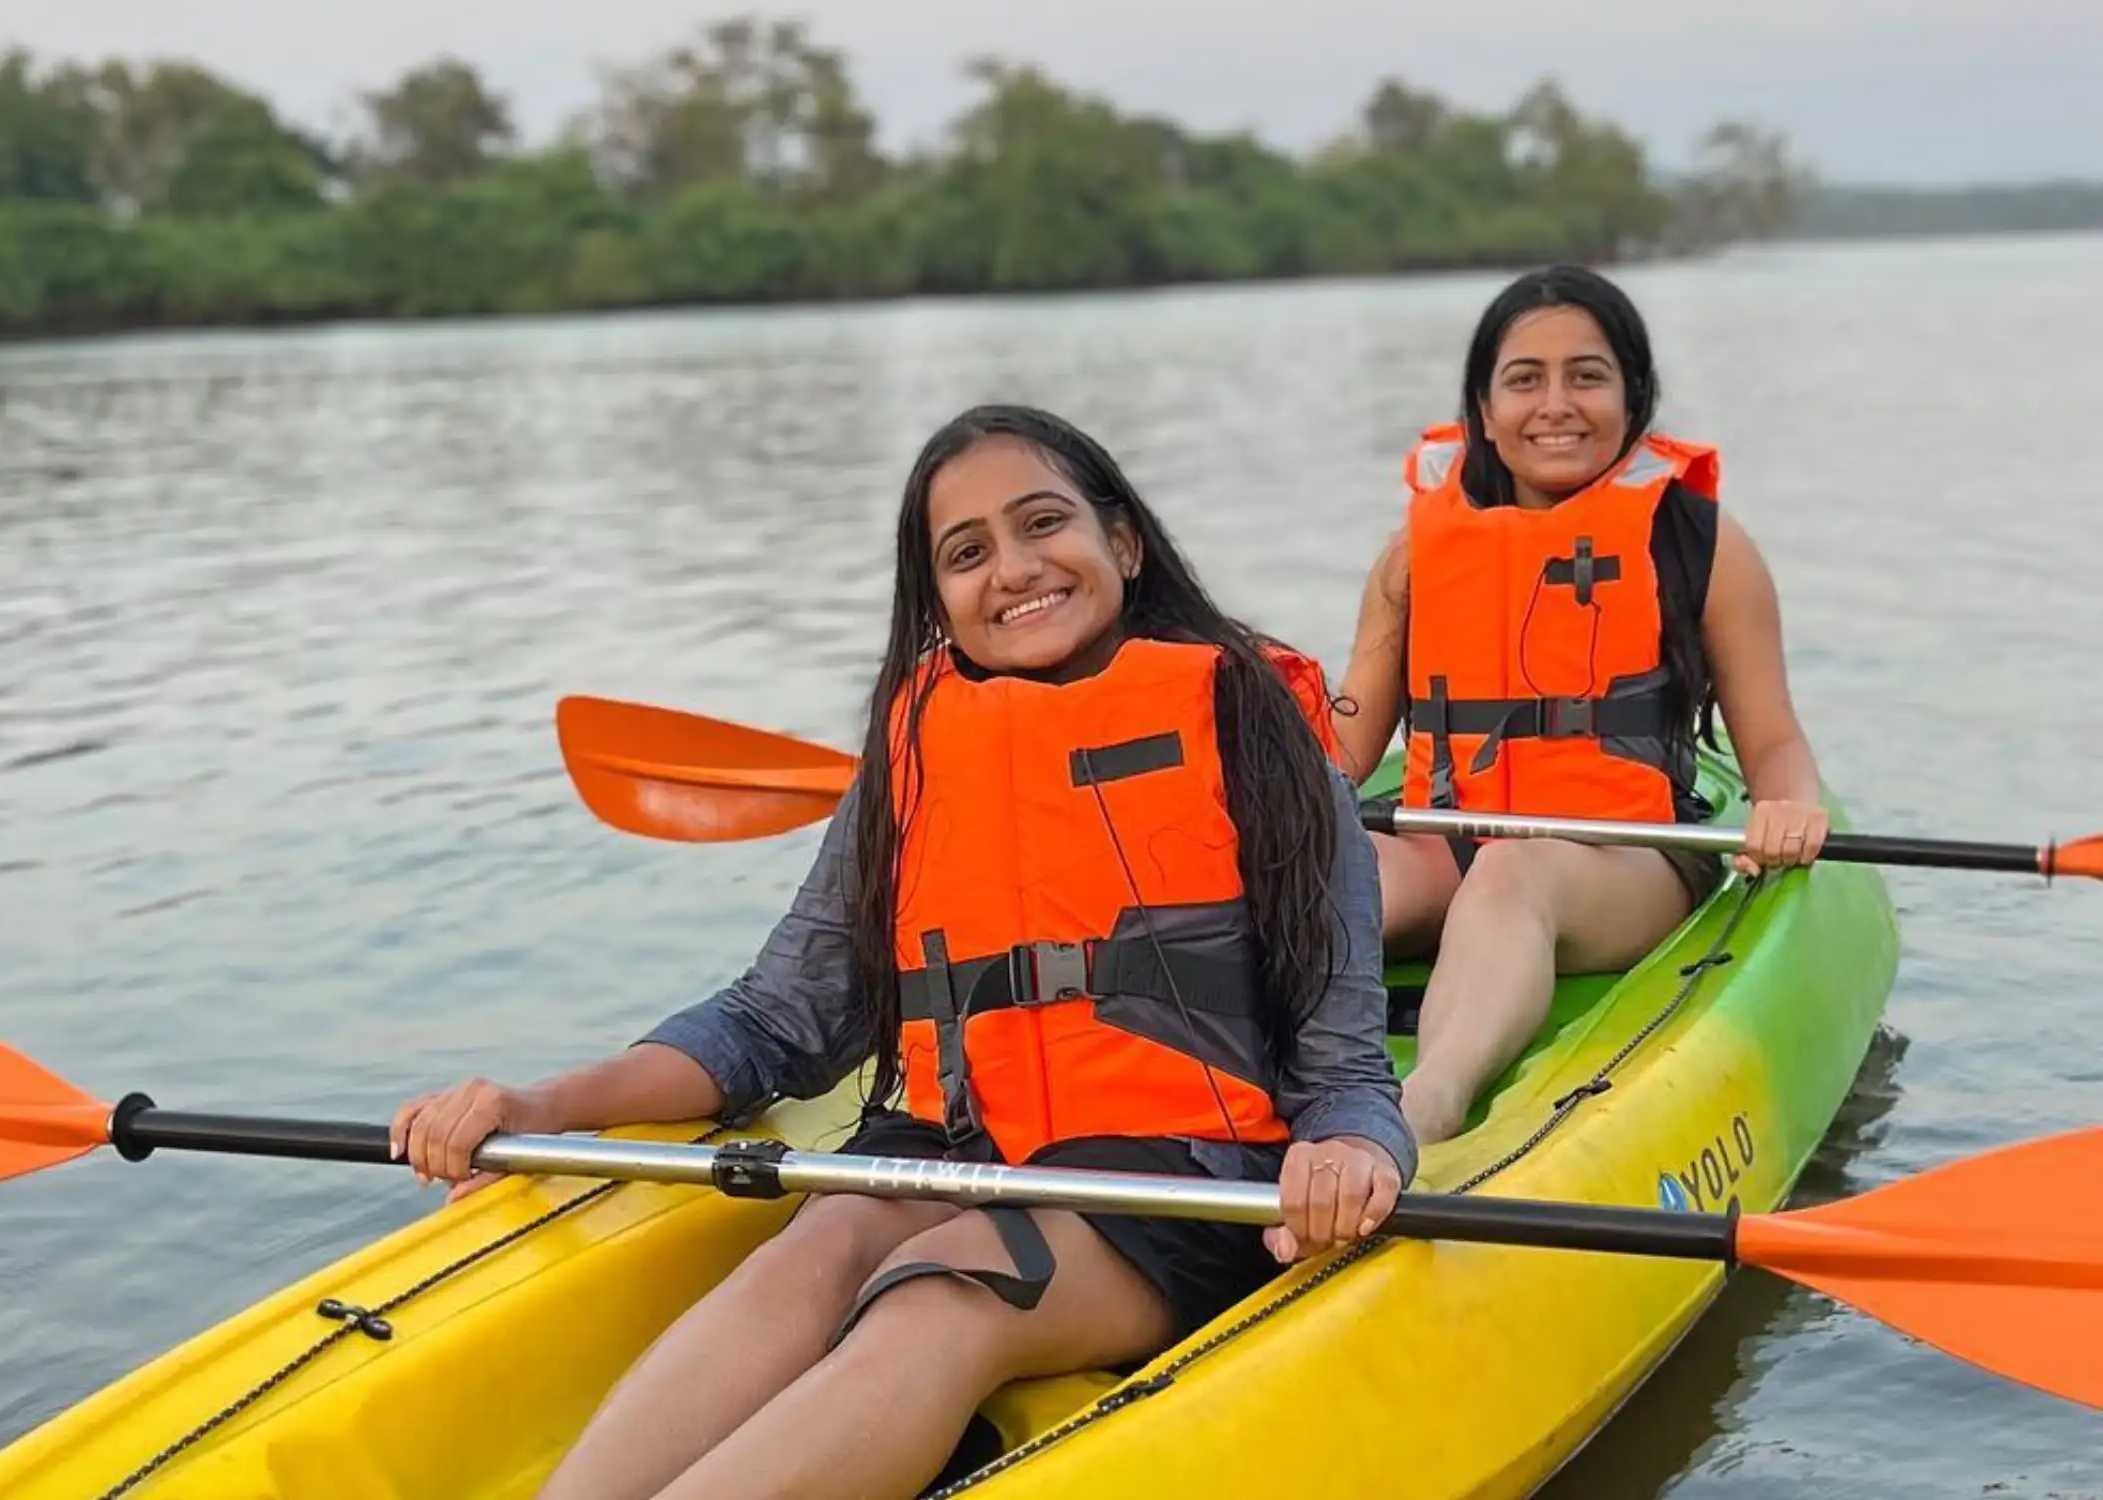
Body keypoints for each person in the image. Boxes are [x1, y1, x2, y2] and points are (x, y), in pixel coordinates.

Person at [391, 404, 1415, 1500]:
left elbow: (1348, 1070)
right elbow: (772, 1023)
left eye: (1042, 524)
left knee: (944, 1289)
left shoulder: (1253, 725)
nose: (1013, 570)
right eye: (966, 553)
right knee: (813, 1252)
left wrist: (1354, 1158)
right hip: (951, 1145)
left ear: (1122, 542)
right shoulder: (914, 754)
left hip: (1175, 1184)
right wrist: (544, 1108)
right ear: (937, 602)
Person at [1329, 264, 1832, 1148]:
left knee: (1515, 871)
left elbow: (1774, 740)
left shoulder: (1701, 545)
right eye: (1525, 379)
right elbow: (1345, 744)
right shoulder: (1415, 554)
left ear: (1634, 397)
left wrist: (1791, 809)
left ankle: (1425, 1105)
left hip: (1626, 858)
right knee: (1332, 877)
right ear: (1484, 409)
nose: (1555, 404)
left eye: (1587, 376)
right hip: (1448, 836)